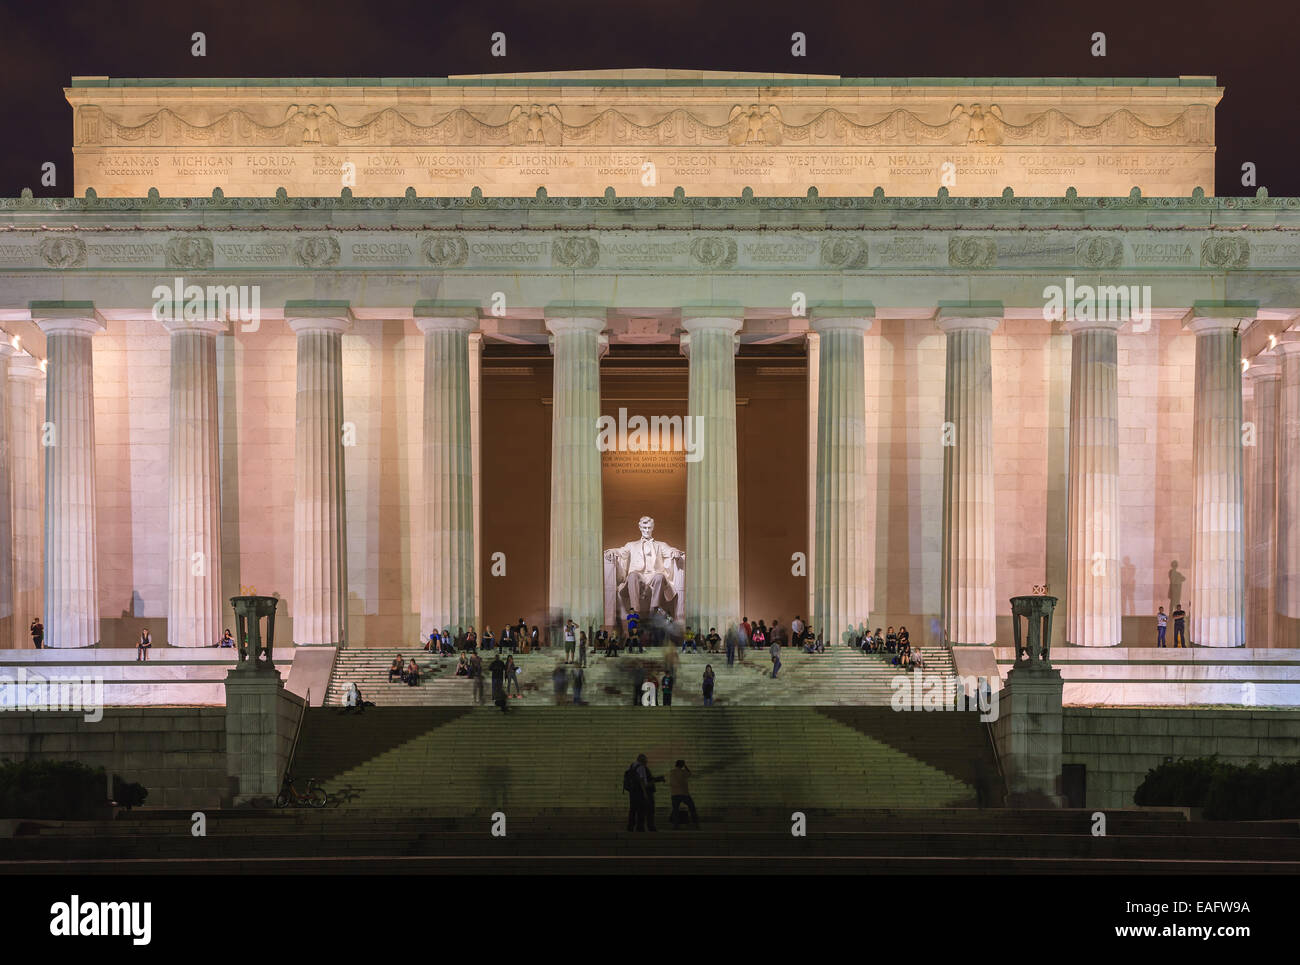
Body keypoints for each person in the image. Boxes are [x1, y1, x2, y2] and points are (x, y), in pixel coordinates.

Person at [668, 760, 699, 829]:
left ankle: (675, 825)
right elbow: (690, 774)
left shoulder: (671, 772)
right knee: (692, 808)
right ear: (682, 765)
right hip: (684, 793)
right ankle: (696, 823)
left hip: (674, 794)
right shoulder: (683, 772)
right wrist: (686, 767)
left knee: (675, 810)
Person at [624, 756, 649, 832]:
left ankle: (630, 826)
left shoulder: (632, 765)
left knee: (632, 809)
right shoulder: (641, 767)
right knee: (641, 809)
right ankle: (640, 827)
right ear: (643, 760)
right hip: (639, 791)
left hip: (632, 791)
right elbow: (641, 780)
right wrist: (645, 793)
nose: (647, 761)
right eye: (646, 760)